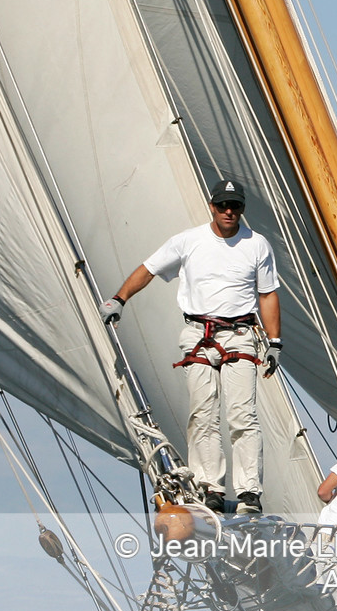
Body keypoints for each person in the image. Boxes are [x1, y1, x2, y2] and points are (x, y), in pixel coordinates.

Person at [101, 179, 281, 515]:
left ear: (242, 209)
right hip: (199, 333)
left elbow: (268, 294)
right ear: (212, 206)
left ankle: (249, 493)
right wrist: (118, 299)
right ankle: (209, 485)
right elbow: (148, 269)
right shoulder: (188, 241)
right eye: (223, 205)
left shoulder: (256, 245)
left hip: (240, 334)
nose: (229, 211)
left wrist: (275, 343)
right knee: (203, 414)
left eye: (235, 206)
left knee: (243, 415)